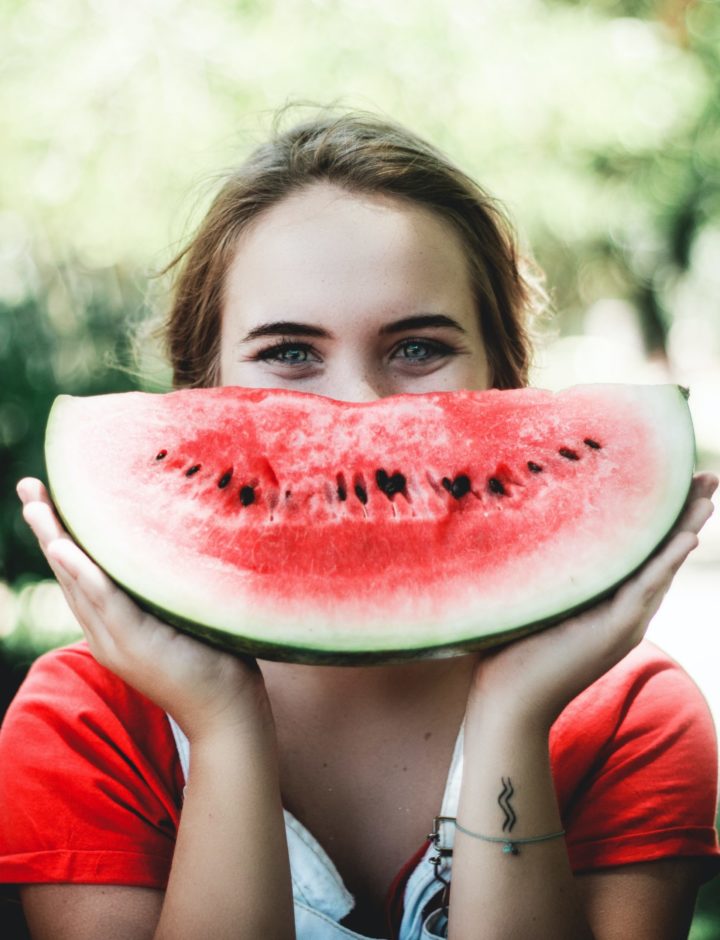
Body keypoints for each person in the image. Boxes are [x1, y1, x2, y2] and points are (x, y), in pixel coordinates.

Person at [1, 109, 718, 940]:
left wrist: (513, 713)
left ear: (506, 380)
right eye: (288, 352)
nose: (357, 410)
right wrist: (224, 725)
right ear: (199, 391)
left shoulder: (629, 715)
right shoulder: (90, 723)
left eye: (417, 348)